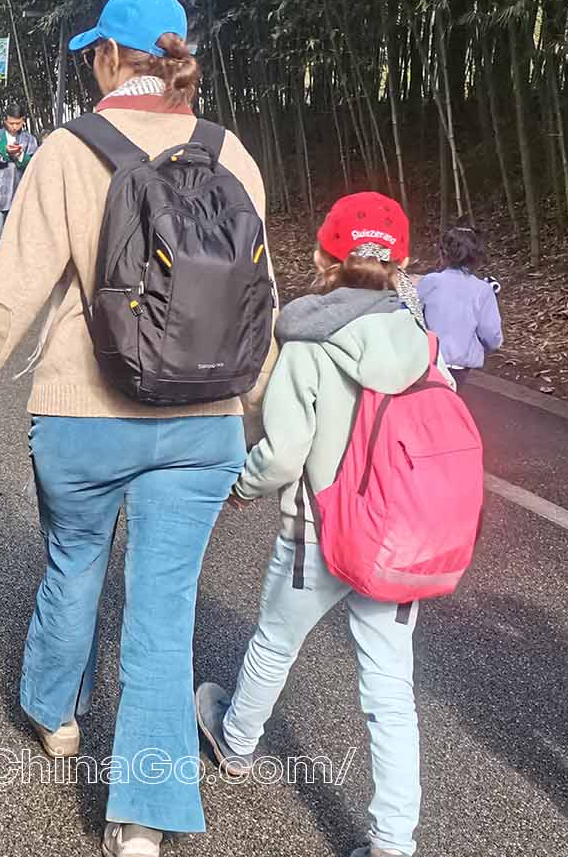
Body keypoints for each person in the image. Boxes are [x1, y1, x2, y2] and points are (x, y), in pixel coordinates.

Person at [0, 0, 270, 857]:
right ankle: (143, 821)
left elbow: (10, 298)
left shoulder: (69, 150)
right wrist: (261, 431)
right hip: (205, 419)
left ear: (107, 58)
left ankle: (56, 714)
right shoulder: (230, 151)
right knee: (165, 610)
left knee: (74, 563)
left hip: (82, 411)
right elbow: (263, 302)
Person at [195, 192, 433, 857]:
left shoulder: (306, 339)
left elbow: (282, 454)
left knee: (275, 641)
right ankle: (393, 841)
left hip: (319, 533)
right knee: (389, 687)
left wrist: (240, 487)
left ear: (324, 256)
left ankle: (236, 741)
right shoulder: (422, 341)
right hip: (397, 538)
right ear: (403, 260)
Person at [416, 222, 502, 388]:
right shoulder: (483, 290)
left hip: (427, 362)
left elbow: (410, 316)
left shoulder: (429, 282)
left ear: (443, 253)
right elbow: (492, 335)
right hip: (460, 366)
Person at [0, 109, 38, 263]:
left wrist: (20, 155)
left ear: (23, 121)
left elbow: (35, 164)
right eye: (11, 123)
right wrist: (4, 153)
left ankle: (9, 271)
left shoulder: (29, 139)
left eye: (17, 123)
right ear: (5, 121)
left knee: (15, 237)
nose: (14, 126)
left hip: (20, 194)